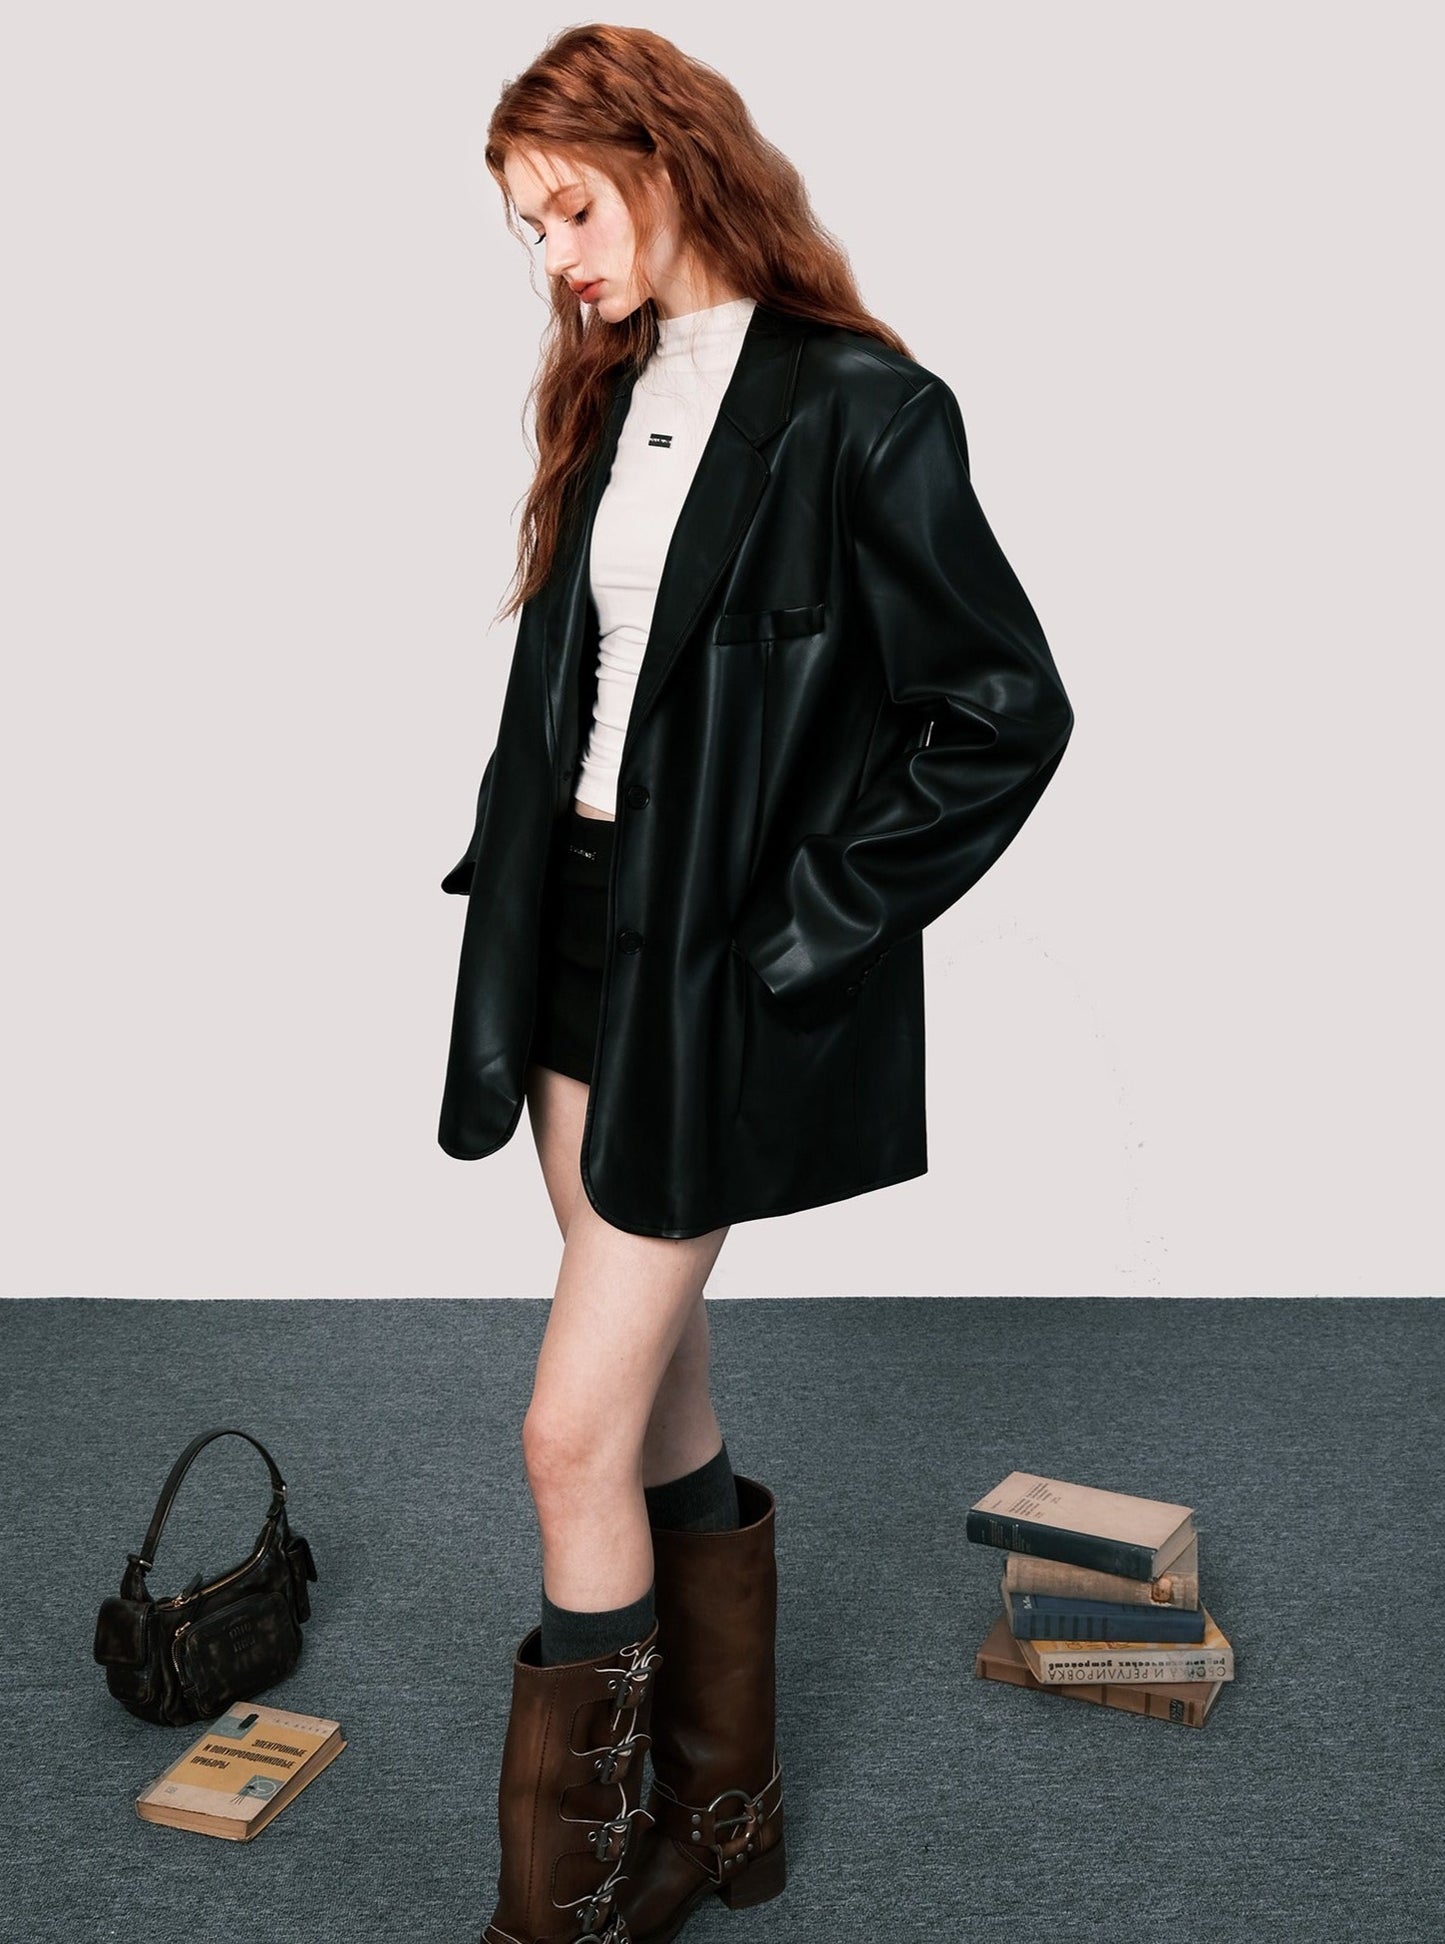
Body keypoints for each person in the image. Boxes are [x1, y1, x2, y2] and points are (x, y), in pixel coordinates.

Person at [441, 25, 1075, 1944]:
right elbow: (598, 698)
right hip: (569, 932)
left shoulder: (860, 408)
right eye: (526, 228)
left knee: (564, 1435)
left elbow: (1001, 708)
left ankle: (563, 1909)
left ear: (670, 160)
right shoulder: (614, 385)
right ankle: (727, 1819)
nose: (553, 257)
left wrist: (813, 920)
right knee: (648, 1393)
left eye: (571, 208)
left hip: (708, 967)